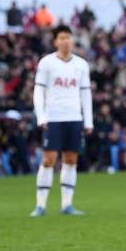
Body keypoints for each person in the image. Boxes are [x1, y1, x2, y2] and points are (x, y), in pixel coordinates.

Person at [31, 25, 93, 216]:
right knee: (49, 159)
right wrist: (41, 116)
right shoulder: (46, 63)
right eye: (62, 38)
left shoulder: (81, 64)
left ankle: (67, 205)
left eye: (68, 37)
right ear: (55, 41)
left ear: (73, 40)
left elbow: (86, 93)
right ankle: (40, 205)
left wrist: (88, 120)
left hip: (74, 117)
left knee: (71, 159)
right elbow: (38, 91)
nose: (66, 41)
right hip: (54, 117)